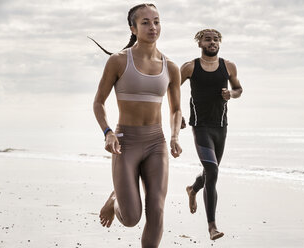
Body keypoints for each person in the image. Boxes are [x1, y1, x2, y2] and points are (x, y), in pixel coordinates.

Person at [92, 4, 182, 248]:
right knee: (131, 218)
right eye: (145, 22)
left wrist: (174, 137)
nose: (152, 27)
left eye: (156, 21)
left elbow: (175, 109)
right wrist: (108, 133)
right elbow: (98, 103)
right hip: (125, 142)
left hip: (156, 143)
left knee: (157, 209)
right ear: (133, 27)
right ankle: (115, 200)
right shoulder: (118, 61)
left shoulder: (171, 67)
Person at [180, 29, 243, 240]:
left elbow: (239, 89)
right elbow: (172, 88)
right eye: (208, 39)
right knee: (213, 170)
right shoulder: (190, 67)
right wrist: (176, 113)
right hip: (200, 126)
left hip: (221, 126)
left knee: (210, 172)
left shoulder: (228, 66)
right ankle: (212, 226)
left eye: (216, 39)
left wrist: (230, 95)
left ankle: (192, 189)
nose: (212, 42)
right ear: (200, 43)